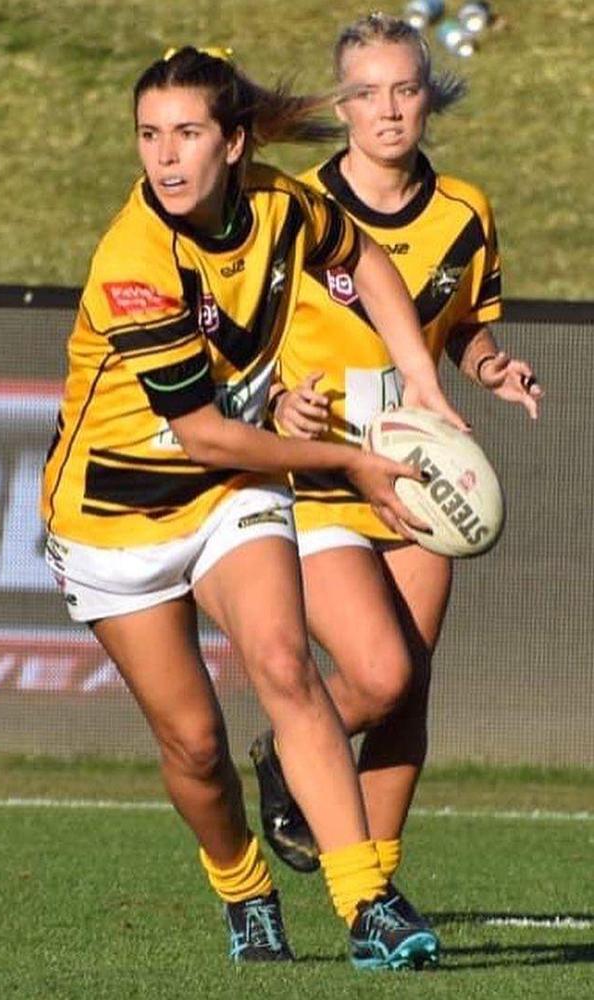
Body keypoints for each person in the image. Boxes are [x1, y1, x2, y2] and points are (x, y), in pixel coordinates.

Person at [41, 45, 463, 969]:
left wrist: (425, 384)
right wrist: (349, 462)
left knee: (283, 662)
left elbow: (361, 258)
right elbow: (204, 435)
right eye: (149, 136)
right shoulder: (135, 261)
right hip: (116, 514)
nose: (165, 156)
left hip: (231, 494)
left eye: (187, 133)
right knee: (195, 745)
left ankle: (366, 907)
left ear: (234, 143)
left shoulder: (281, 202)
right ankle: (241, 884)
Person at [250, 11, 543, 933]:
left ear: (429, 97)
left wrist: (492, 367)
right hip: (326, 472)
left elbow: (460, 324)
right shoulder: (293, 209)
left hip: (418, 472)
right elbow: (240, 348)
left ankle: (373, 900)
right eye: (366, 92)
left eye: (404, 89)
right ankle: (284, 755)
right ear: (340, 105)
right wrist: (276, 406)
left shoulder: (464, 211)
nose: (387, 109)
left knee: (413, 685)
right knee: (375, 676)